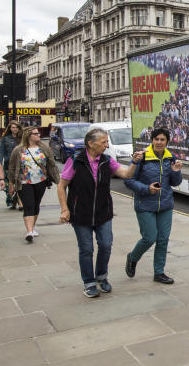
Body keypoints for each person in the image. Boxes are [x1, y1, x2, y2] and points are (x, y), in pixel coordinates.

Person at [57, 127, 143, 298]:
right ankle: (89, 282)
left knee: (105, 245)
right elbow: (61, 186)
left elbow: (125, 174)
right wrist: (65, 209)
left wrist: (134, 162)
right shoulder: (76, 160)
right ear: (90, 143)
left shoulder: (107, 160)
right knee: (86, 249)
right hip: (80, 213)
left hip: (103, 212)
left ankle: (102, 277)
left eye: (106, 142)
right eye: (103, 142)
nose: (106, 145)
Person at [124, 127, 183, 284]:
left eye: (162, 139)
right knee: (150, 237)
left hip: (165, 205)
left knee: (163, 239)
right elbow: (128, 180)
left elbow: (175, 183)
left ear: (167, 142)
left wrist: (176, 172)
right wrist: (146, 189)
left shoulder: (170, 158)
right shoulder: (141, 158)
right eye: (156, 139)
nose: (159, 142)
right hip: (145, 204)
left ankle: (159, 272)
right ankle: (132, 257)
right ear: (152, 140)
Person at [7, 126, 61, 242]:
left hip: (40, 181)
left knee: (36, 205)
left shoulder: (44, 148)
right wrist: (11, 184)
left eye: (38, 133)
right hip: (24, 182)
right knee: (28, 205)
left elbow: (52, 165)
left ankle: (32, 227)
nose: (38, 135)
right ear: (28, 136)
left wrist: (59, 182)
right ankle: (29, 231)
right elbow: (11, 168)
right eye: (35, 134)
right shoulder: (18, 150)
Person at [0, 121, 23, 210]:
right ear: (10, 128)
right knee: (9, 185)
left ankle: (20, 203)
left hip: (20, 164)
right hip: (8, 165)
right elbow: (1, 152)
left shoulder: (22, 138)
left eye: (16, 127)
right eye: (13, 127)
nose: (14, 129)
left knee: (19, 184)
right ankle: (12, 200)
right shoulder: (5, 139)